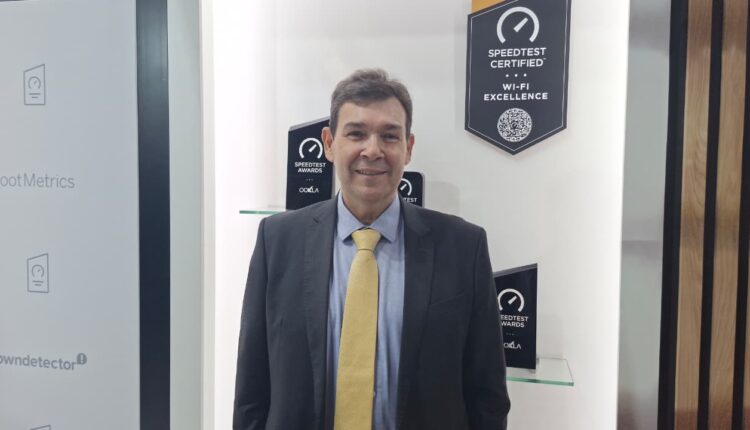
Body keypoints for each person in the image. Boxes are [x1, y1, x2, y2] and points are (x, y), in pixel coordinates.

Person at [233, 69, 510, 430]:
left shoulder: (463, 248)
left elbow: (487, 396)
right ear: (329, 143)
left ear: (408, 148)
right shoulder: (278, 240)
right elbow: (252, 388)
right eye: (356, 133)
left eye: (389, 136)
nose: (373, 150)